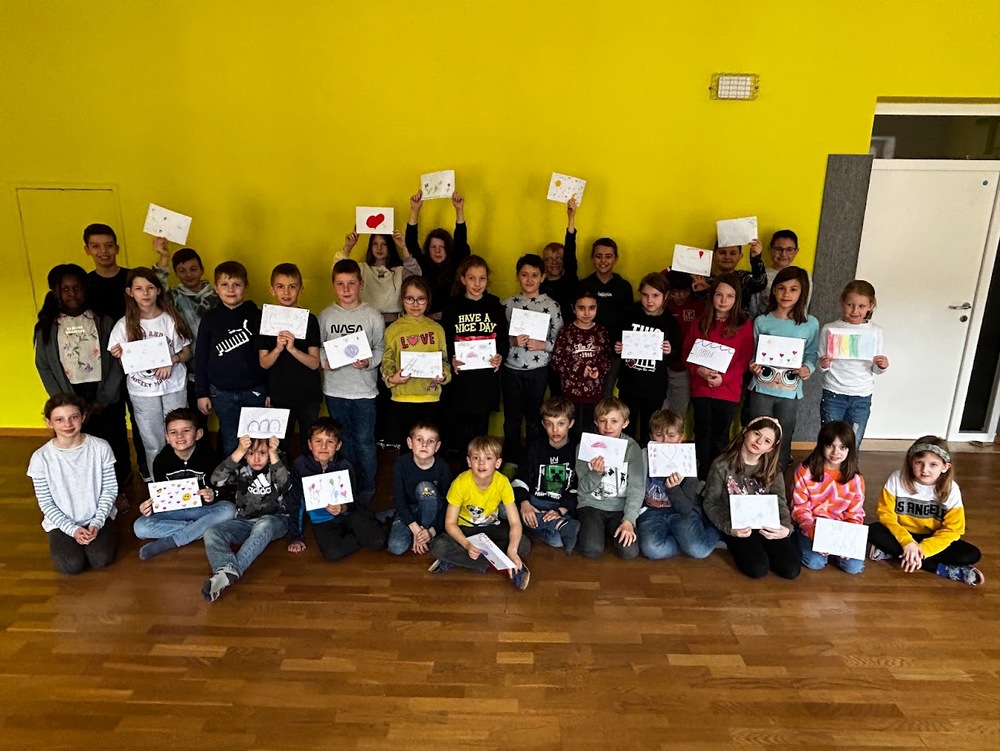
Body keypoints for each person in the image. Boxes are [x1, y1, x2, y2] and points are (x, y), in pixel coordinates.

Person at [33, 263, 129, 485]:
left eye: (76, 288)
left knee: (112, 439)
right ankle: (86, 486)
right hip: (69, 393)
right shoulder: (47, 327)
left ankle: (118, 486)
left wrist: (104, 398)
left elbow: (118, 360)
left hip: (104, 393)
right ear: (56, 293)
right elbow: (43, 365)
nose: (72, 294)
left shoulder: (103, 321)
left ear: (85, 289)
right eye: (65, 289)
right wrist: (64, 401)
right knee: (77, 442)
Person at [108, 268, 193, 480]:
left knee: (180, 434)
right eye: (139, 288)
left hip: (173, 387)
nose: (145, 293)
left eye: (150, 288)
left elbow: (187, 352)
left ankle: (182, 479)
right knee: (152, 440)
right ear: (130, 292)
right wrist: (119, 355)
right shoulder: (123, 325)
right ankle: (159, 483)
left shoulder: (170, 320)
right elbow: (123, 360)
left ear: (158, 290)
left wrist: (171, 360)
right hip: (142, 391)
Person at [868, 436, 984, 586]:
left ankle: (896, 554)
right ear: (911, 462)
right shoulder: (897, 479)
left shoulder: (951, 489)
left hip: (932, 537)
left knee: (971, 554)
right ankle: (941, 569)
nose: (925, 470)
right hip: (901, 534)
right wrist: (907, 542)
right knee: (873, 530)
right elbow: (885, 514)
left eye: (933, 465)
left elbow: (953, 529)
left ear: (945, 467)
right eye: (919, 463)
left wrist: (922, 549)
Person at [26, 393, 118, 575]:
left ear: (83, 417)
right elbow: (46, 502)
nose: (67, 424)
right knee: (70, 565)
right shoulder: (40, 458)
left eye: (73, 417)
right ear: (49, 422)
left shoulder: (101, 447)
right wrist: (72, 529)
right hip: (61, 521)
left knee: (101, 560)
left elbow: (109, 489)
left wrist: (98, 522)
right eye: (59, 419)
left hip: (97, 517)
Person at [318, 259, 385, 508]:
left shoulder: (372, 316)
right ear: (333, 286)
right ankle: (346, 487)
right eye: (340, 284)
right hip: (335, 390)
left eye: (351, 283)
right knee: (341, 442)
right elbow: (318, 349)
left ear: (361, 284)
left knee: (365, 442)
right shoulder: (325, 316)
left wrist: (369, 362)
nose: (346, 289)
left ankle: (366, 487)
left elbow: (380, 349)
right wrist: (325, 361)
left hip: (364, 391)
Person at [427, 435, 531, 590]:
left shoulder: (502, 482)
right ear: (469, 462)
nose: (481, 463)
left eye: (488, 458)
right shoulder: (460, 483)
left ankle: (459, 560)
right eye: (476, 458)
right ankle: (503, 566)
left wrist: (512, 550)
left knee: (523, 544)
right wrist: (467, 544)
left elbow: (515, 522)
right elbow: (450, 523)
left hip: (490, 528)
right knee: (438, 546)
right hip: (465, 530)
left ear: (497, 463)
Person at [702, 416, 800, 580]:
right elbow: (710, 502)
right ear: (746, 431)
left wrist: (785, 528)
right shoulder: (721, 465)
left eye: (767, 441)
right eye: (756, 434)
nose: (759, 441)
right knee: (757, 568)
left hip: (765, 523)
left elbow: (780, 502)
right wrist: (729, 527)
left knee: (791, 569)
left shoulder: (773, 470)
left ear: (770, 448)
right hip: (738, 525)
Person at [83, 223, 145, 477]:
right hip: (105, 365)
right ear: (87, 249)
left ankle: (146, 468)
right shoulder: (85, 285)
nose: (103, 251)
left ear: (117, 248)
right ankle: (119, 471)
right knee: (112, 418)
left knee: (142, 417)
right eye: (96, 246)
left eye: (109, 245)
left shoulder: (132, 279)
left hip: (141, 360)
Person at [133, 408, 235, 560]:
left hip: (202, 509)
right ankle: (199, 529)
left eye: (186, 431)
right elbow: (160, 494)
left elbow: (223, 488)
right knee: (140, 527)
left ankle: (173, 540)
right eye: (173, 432)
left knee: (229, 510)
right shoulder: (161, 461)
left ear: (198, 434)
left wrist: (214, 494)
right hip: (175, 513)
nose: (179, 436)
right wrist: (149, 507)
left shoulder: (209, 457)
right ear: (167, 437)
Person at [202, 435, 291, 602]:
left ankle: (231, 571)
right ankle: (225, 572)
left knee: (264, 524)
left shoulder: (277, 465)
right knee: (211, 532)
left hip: (275, 519)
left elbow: (286, 485)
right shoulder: (241, 468)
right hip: (244, 521)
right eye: (250, 453)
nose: (256, 459)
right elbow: (216, 480)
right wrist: (238, 452)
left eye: (262, 453)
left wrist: (274, 455)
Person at [746, 266, 819, 469]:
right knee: (757, 432)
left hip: (790, 392)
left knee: (784, 435)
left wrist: (808, 368)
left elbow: (812, 353)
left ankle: (778, 475)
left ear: (802, 292)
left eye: (793, 289)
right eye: (781, 288)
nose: (786, 294)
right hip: (761, 389)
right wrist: (753, 365)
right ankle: (754, 472)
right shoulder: (762, 321)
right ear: (773, 290)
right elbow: (753, 352)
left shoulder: (810, 324)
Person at [683, 273, 754, 479]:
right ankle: (701, 477)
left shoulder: (744, 324)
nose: (723, 301)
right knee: (702, 432)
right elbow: (687, 354)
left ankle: (717, 477)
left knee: (721, 436)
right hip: (701, 388)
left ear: (736, 299)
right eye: (719, 295)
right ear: (711, 296)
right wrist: (698, 370)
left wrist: (725, 378)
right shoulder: (700, 323)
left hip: (728, 390)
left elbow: (744, 359)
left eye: (730, 296)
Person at [285, 418, 387, 561]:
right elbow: (295, 502)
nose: (324, 446)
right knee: (333, 554)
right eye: (318, 441)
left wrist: (343, 508)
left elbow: (355, 501)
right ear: (309, 444)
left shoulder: (345, 466)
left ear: (338, 445)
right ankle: (371, 524)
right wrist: (296, 537)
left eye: (330, 442)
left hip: (350, 515)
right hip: (323, 521)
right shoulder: (300, 466)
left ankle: (383, 520)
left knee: (378, 542)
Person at [194, 261, 266, 457]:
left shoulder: (258, 317)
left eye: (237, 284)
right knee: (230, 437)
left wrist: (270, 391)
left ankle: (254, 473)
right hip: (221, 392)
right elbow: (201, 358)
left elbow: (268, 357)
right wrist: (202, 393)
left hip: (255, 390)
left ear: (246, 286)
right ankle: (233, 474)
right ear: (216, 288)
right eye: (224, 285)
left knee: (256, 438)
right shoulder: (209, 319)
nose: (231, 290)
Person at [501, 253, 564, 468]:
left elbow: (561, 341)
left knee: (535, 419)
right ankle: (511, 461)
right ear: (517, 276)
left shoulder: (552, 306)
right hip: (511, 370)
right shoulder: (507, 304)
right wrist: (512, 340)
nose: (529, 280)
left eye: (535, 275)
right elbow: (496, 340)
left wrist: (543, 345)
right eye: (524, 275)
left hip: (538, 370)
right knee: (512, 418)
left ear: (543, 277)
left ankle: (532, 460)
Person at [440, 256, 509, 450]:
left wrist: (500, 356)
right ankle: (466, 465)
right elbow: (445, 338)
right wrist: (451, 359)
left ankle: (481, 463)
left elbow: (502, 338)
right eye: (472, 278)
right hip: (462, 377)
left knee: (481, 427)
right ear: (463, 279)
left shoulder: (494, 304)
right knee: (462, 428)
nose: (477, 284)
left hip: (485, 378)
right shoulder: (452, 306)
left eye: (482, 278)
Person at [152, 238, 219, 424]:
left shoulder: (218, 295)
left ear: (202, 270)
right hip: (191, 371)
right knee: (196, 420)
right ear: (175, 273)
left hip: (220, 367)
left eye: (193, 269)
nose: (188, 274)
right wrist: (163, 257)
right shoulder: (174, 296)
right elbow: (157, 285)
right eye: (182, 271)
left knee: (227, 418)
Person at [257, 263, 322, 454]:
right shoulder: (265, 320)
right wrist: (278, 349)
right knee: (280, 447)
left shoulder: (310, 320)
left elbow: (314, 363)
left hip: (308, 395)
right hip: (279, 395)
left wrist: (292, 349)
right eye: (280, 286)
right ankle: (282, 475)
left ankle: (306, 474)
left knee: (309, 445)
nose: (286, 292)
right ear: (272, 290)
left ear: (301, 289)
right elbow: (264, 363)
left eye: (292, 287)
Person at [637, 409, 719, 560]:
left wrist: (673, 488)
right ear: (651, 437)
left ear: (680, 438)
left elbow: (686, 509)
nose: (664, 441)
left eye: (671, 436)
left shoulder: (688, 461)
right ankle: (683, 543)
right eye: (659, 435)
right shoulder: (643, 456)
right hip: (651, 511)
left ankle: (717, 531)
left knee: (699, 551)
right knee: (651, 550)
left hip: (681, 513)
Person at [818, 280, 889, 447]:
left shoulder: (875, 332)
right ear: (842, 302)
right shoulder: (829, 329)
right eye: (850, 305)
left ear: (871, 305)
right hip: (833, 393)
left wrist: (881, 366)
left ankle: (850, 465)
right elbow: (821, 364)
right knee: (829, 440)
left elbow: (875, 368)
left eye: (861, 306)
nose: (855, 311)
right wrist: (824, 364)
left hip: (861, 395)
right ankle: (826, 465)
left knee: (853, 441)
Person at [614, 272, 681, 445]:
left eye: (655, 296)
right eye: (645, 295)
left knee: (650, 431)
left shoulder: (669, 321)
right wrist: (617, 347)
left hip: (654, 387)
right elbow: (616, 341)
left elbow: (677, 352)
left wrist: (670, 350)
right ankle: (626, 460)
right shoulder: (629, 314)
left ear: (666, 295)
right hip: (629, 384)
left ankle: (646, 460)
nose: (649, 300)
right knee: (625, 429)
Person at [382, 276, 450, 445]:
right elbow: (387, 361)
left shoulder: (437, 329)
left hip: (430, 396)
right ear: (402, 299)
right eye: (409, 298)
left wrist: (443, 375)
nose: (415, 304)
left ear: (428, 300)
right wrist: (392, 378)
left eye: (421, 299)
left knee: (429, 446)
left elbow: (445, 361)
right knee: (407, 446)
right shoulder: (393, 330)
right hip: (402, 397)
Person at [791, 421, 866, 574]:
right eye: (830, 445)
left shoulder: (856, 479)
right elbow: (800, 508)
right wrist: (815, 534)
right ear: (821, 445)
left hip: (840, 529)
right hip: (811, 526)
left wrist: (846, 540)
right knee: (815, 562)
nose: (835, 452)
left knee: (854, 567)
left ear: (850, 450)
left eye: (842, 447)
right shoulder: (805, 471)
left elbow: (855, 514)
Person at [575, 397, 643, 560]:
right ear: (596, 422)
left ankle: (605, 531)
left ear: (625, 423)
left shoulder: (632, 448)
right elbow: (582, 488)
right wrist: (596, 474)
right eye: (603, 421)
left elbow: (636, 487)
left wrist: (629, 520)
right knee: (592, 550)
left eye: (614, 421)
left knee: (629, 552)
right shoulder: (585, 446)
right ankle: (593, 530)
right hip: (591, 504)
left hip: (619, 507)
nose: (608, 426)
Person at [511, 397, 580, 554]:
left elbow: (577, 488)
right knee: (502, 508)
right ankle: (555, 524)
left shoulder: (577, 450)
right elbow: (520, 479)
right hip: (534, 501)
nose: (555, 430)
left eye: (561, 424)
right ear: (543, 424)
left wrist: (560, 512)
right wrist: (525, 504)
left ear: (570, 423)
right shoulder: (535, 447)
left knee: (557, 541)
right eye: (549, 424)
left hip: (560, 505)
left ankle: (536, 522)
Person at [551, 288, 610, 441]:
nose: (587, 313)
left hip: (594, 394)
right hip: (571, 394)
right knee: (572, 431)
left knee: (591, 432)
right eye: (581, 308)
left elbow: (607, 359)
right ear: (573, 308)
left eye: (592, 308)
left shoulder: (601, 332)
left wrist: (598, 369)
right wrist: (580, 369)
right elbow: (557, 361)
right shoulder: (566, 332)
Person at [387, 422, 452, 556]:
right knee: (396, 547)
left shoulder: (443, 468)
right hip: (410, 509)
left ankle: (426, 534)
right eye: (419, 440)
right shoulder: (401, 464)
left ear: (437, 446)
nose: (424, 445)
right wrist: (417, 530)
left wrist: (431, 531)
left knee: (425, 488)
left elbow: (448, 505)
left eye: (430, 441)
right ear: (410, 443)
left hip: (434, 511)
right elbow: (399, 499)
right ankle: (414, 529)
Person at [405, 190, 470, 320]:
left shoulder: (456, 264)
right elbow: (411, 244)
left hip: (455, 321)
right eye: (433, 247)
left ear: (448, 249)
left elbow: (461, 242)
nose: (437, 251)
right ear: (428, 249)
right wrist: (414, 210)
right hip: (429, 322)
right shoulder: (423, 266)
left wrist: (459, 210)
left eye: (442, 247)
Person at [581, 237, 634, 396]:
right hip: (586, 350)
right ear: (592, 258)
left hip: (614, 352)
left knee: (605, 394)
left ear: (615, 259)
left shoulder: (624, 286)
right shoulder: (583, 285)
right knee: (583, 393)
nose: (603, 261)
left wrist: (624, 345)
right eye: (598, 256)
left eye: (608, 256)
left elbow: (629, 320)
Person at [661, 269, 704, 417]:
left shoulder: (697, 305)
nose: (680, 296)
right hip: (663, 365)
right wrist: (672, 266)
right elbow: (656, 282)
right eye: (675, 291)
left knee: (677, 412)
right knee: (660, 409)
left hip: (685, 366)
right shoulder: (663, 305)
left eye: (685, 291)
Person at [692, 238, 767, 315]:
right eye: (722, 252)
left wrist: (756, 258)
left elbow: (760, 283)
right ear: (714, 255)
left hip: (739, 321)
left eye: (733, 253)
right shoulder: (704, 280)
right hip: (710, 321)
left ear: (740, 256)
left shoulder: (744, 278)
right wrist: (702, 291)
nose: (727, 257)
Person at [748, 230, 810, 318]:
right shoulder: (760, 275)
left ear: (796, 251)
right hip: (766, 324)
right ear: (770, 250)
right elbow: (753, 310)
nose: (783, 254)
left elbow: (803, 308)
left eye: (789, 250)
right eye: (778, 249)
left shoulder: (803, 276)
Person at [540, 198, 581, 331]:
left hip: (569, 334)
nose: (554, 263)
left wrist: (571, 218)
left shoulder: (570, 280)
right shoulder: (538, 285)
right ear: (543, 263)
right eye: (549, 259)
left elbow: (570, 252)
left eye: (559, 258)